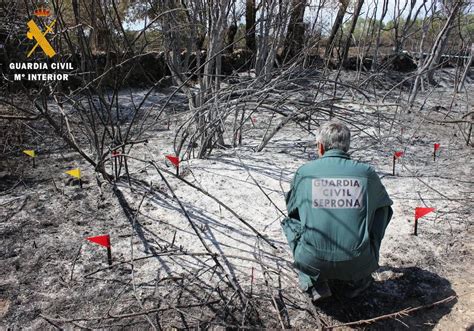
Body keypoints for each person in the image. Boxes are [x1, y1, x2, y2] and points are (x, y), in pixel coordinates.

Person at [281, 121, 393, 302]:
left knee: (290, 223)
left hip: (313, 259)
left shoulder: (305, 172)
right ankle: (359, 277)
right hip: (359, 260)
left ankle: (312, 281)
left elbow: (293, 211)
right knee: (381, 212)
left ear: (320, 147)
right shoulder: (366, 173)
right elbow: (384, 209)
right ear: (347, 147)